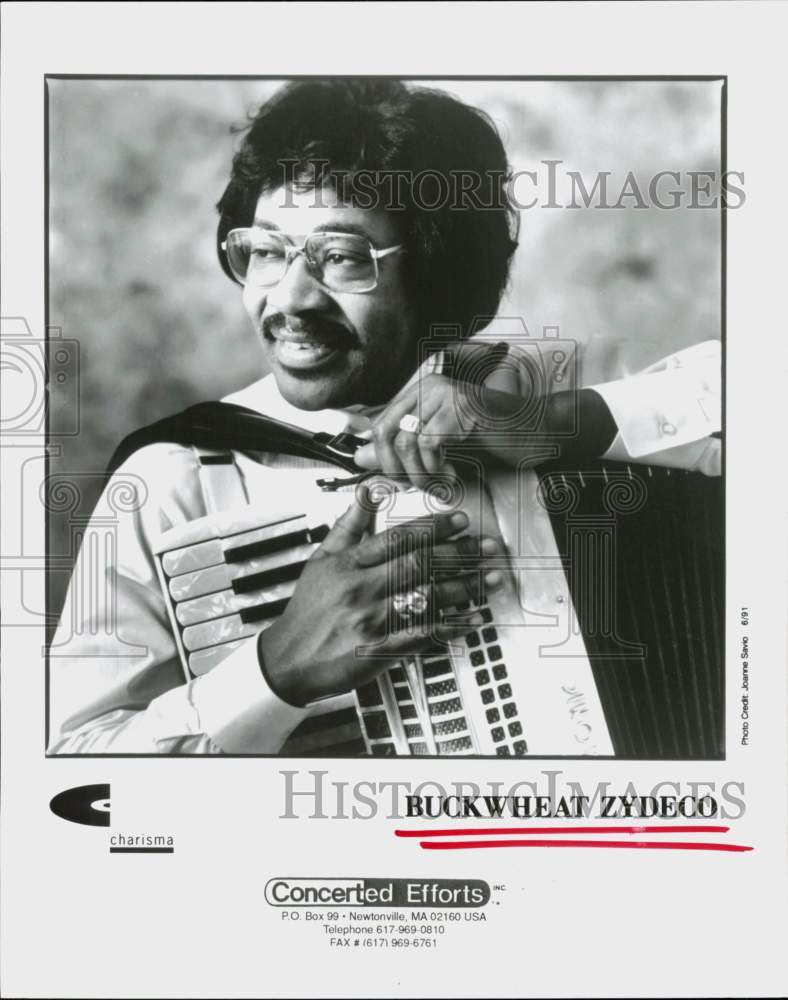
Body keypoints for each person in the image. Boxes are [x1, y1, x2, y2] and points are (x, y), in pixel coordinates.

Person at [48, 79, 721, 755]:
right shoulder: (176, 479)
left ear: (436, 272)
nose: (290, 299)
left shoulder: (529, 407)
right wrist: (276, 668)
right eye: (265, 251)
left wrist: (561, 425)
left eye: (340, 258)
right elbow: (73, 785)